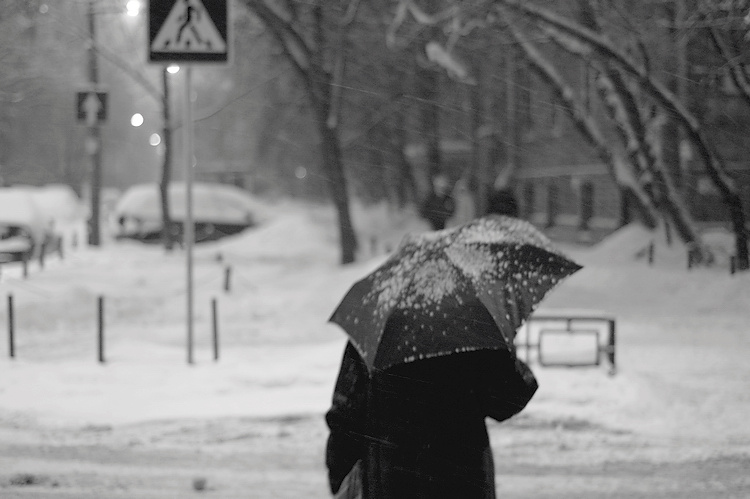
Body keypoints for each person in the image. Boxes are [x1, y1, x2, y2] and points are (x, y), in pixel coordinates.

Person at [325, 311, 538, 498]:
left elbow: (346, 414)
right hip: (461, 481)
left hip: (393, 482)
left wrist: (339, 475)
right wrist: (503, 346)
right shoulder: (471, 327)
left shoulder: (374, 331)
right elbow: (508, 400)